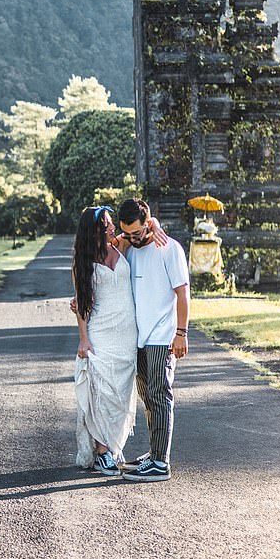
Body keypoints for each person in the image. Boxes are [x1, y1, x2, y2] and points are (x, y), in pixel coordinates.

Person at [72, 204, 167, 476]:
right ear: (96, 231)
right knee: (102, 393)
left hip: (128, 335)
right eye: (109, 225)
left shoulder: (119, 245)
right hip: (101, 334)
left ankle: (113, 447)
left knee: (122, 395)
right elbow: (82, 305)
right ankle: (102, 452)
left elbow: (148, 223)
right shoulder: (83, 262)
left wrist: (157, 226)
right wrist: (83, 340)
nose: (114, 228)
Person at [114, 197, 190, 483]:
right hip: (139, 338)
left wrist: (181, 333)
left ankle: (161, 462)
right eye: (127, 233)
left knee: (160, 394)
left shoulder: (169, 249)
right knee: (148, 397)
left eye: (137, 232)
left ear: (149, 223)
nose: (132, 238)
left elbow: (183, 294)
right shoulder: (130, 249)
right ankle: (154, 451)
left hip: (162, 335)